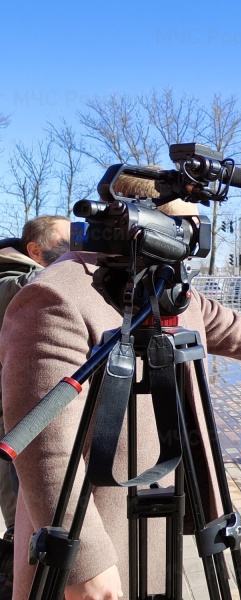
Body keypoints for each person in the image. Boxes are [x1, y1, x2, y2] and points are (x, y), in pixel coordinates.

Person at [0, 175, 241, 600]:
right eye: (184, 227)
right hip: (91, 544)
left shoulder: (166, 288)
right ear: (140, 225)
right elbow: (44, 446)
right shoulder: (58, 293)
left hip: (161, 516)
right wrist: (85, 565)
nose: (194, 242)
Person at [0, 215, 71, 599]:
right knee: (31, 533)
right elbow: (32, 287)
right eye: (67, 243)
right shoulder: (12, 282)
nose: (73, 252)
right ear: (35, 251)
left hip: (36, 423)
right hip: (17, 431)